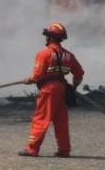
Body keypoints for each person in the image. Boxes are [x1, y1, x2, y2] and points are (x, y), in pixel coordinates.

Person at [19, 22, 84, 158]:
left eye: (46, 37)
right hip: (62, 90)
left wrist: (29, 79)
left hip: (48, 90)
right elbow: (79, 73)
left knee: (41, 118)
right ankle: (64, 150)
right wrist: (74, 87)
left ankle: (32, 149)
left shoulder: (44, 54)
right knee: (61, 121)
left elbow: (38, 75)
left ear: (50, 38)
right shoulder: (69, 55)